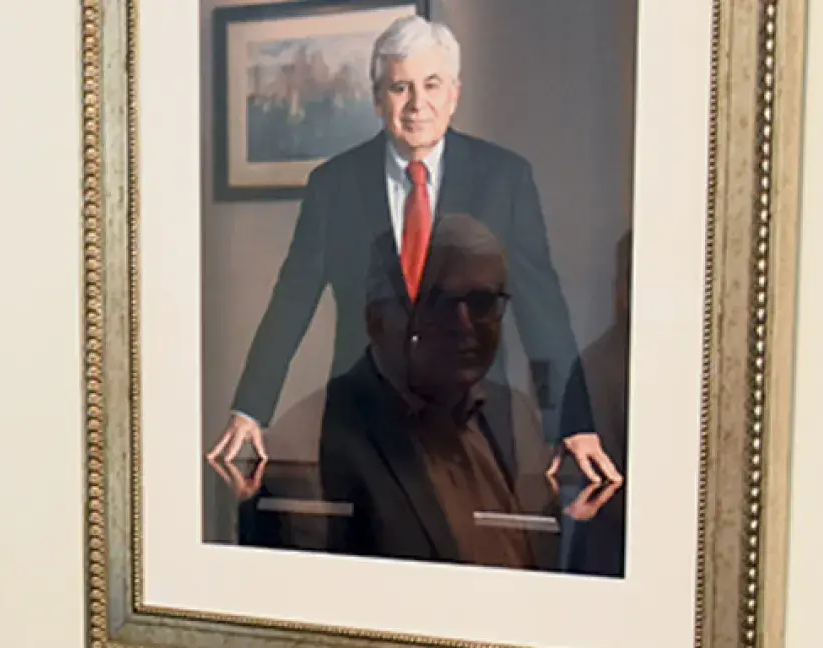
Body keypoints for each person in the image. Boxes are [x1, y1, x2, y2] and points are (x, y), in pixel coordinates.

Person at [207, 14, 622, 488]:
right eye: (400, 87)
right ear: (376, 98)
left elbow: (540, 309)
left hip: (474, 432)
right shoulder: (333, 184)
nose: (416, 104)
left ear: (454, 93)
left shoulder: (505, 179)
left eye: (431, 84)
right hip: (361, 433)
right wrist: (251, 408)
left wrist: (570, 422)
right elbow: (291, 303)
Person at [315, 214, 560, 570]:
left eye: (481, 302)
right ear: (376, 319)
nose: (464, 325)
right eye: (436, 301)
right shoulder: (318, 436)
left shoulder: (516, 415)